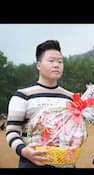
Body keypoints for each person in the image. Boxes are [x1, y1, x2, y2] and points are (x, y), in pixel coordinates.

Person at [6, 40, 74, 168]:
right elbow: (11, 132)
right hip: (32, 163)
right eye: (51, 61)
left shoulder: (70, 98)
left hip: (65, 163)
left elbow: (75, 132)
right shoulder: (22, 96)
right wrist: (23, 151)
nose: (56, 65)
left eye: (60, 62)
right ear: (38, 65)